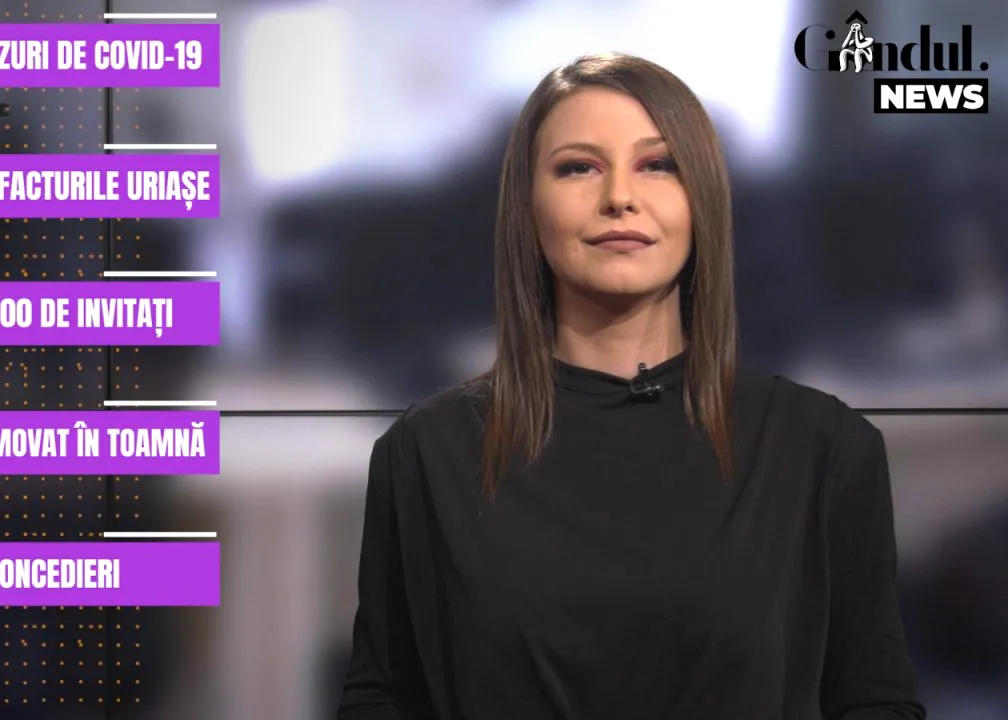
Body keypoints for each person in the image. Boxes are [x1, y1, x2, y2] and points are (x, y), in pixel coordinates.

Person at [337, 53, 925, 719]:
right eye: (579, 167)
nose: (620, 196)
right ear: (526, 205)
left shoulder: (825, 449)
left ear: (703, 200)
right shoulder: (425, 452)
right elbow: (381, 696)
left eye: (658, 165)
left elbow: (875, 701)